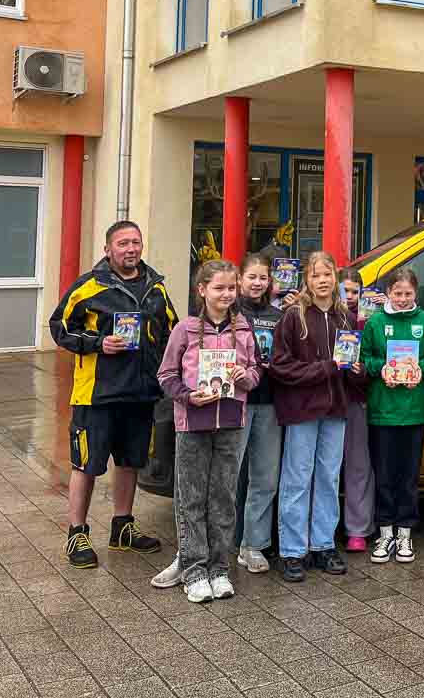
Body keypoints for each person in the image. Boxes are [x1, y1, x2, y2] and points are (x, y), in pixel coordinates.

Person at [50, 220, 175, 568]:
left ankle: (122, 527)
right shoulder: (89, 286)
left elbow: (171, 332)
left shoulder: (156, 289)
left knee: (130, 462)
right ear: (108, 249)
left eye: (135, 242)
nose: (131, 249)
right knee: (86, 465)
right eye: (123, 243)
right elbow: (58, 326)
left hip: (141, 394)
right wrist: (97, 344)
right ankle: (77, 532)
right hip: (97, 395)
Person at [155, 259, 260, 603]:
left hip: (230, 421)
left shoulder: (243, 328)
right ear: (202, 290)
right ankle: (194, 570)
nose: (227, 294)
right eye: (219, 288)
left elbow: (257, 370)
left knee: (223, 498)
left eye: (231, 288)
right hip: (192, 424)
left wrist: (247, 377)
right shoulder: (184, 329)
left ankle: (219, 568)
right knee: (192, 498)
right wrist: (188, 396)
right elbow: (166, 376)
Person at [269, 252, 366, 582]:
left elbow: (352, 369)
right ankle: (293, 551)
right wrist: (325, 369)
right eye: (316, 275)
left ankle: (323, 544)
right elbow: (280, 366)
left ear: (335, 279)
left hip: (335, 410)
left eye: (328, 275)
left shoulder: (345, 318)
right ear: (306, 281)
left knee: (328, 478)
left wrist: (356, 371)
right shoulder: (293, 316)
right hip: (302, 410)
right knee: (297, 478)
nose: (323, 280)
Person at [361, 268, 424, 564]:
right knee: (385, 475)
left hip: (414, 411)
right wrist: (383, 369)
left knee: (409, 476)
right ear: (388, 294)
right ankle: (385, 531)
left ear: (415, 293)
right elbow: (365, 358)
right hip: (383, 410)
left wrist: (420, 370)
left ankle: (405, 532)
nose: (403, 299)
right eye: (397, 293)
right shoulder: (376, 322)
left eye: (408, 294)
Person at [232, 253, 284, 574]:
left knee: (265, 477)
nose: (257, 283)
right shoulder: (230, 312)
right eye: (251, 276)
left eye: (263, 277)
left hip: (269, 402)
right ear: (240, 279)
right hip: (236, 402)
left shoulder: (278, 316)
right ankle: (221, 539)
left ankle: (253, 544)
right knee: (228, 476)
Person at [336, 267, 375, 553]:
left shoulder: (367, 322)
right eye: (344, 290)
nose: (349, 297)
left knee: (358, 466)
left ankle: (358, 528)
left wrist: (362, 370)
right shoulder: (317, 314)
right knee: (323, 469)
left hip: (355, 399)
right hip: (323, 400)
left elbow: (374, 361)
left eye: (354, 291)